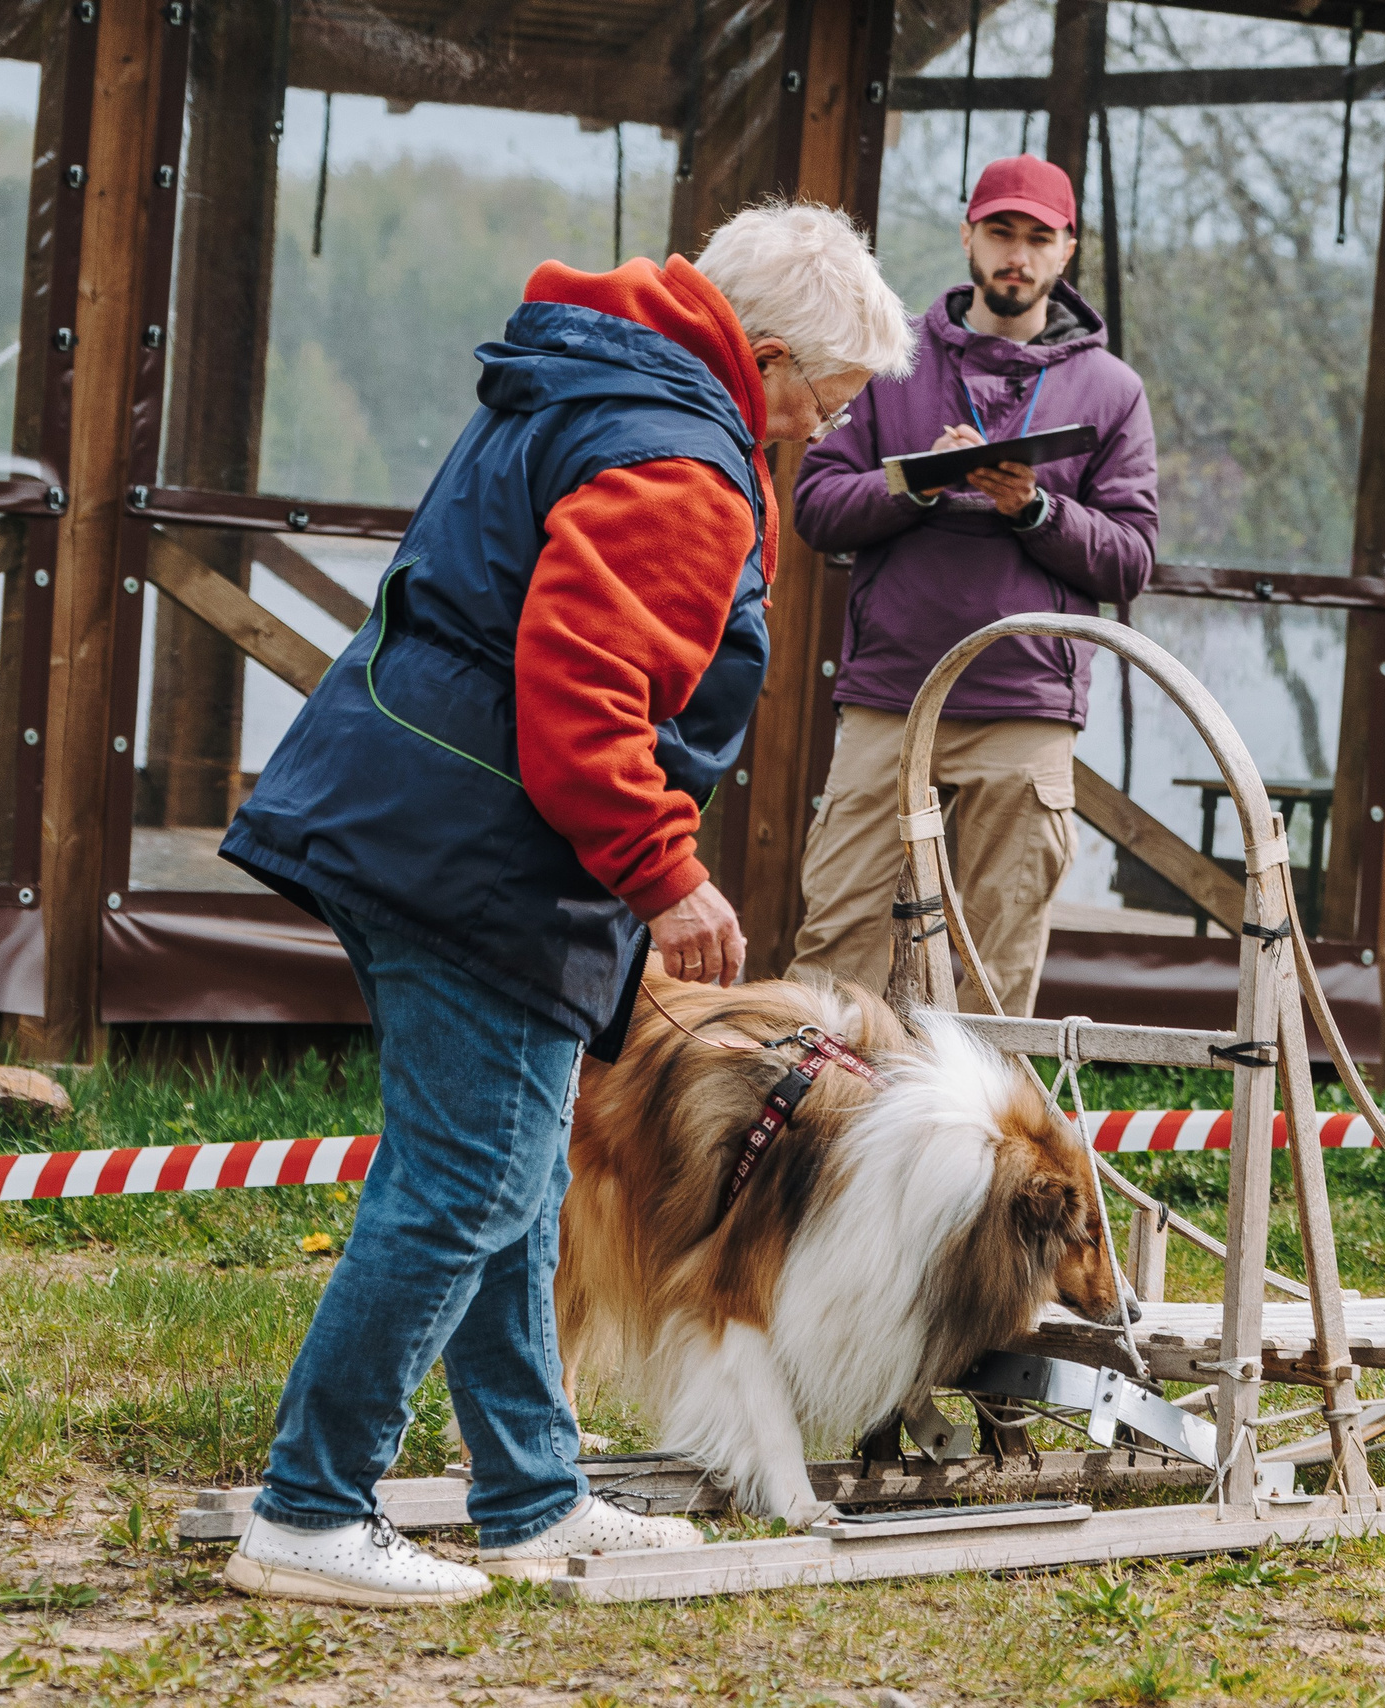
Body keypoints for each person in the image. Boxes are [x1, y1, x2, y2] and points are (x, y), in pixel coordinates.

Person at [214, 202, 915, 1606]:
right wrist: (668, 872)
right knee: (464, 1183)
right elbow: (582, 702)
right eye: (826, 401)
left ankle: (532, 1499)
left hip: (444, 823)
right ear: (765, 359)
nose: (824, 430)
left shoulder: (611, 379)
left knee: (519, 1184)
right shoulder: (677, 460)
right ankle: (309, 1507)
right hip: (478, 850)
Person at [790, 156, 1158, 1016]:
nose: (1016, 255)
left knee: (995, 970)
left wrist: (1032, 509)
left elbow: (1133, 558)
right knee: (835, 945)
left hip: (1025, 704)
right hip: (891, 695)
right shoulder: (891, 367)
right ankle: (807, 1137)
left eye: (1038, 237)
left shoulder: (1113, 392)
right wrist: (914, 483)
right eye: (1000, 232)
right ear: (968, 236)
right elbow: (813, 504)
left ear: (1068, 250)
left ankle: (980, 1150)